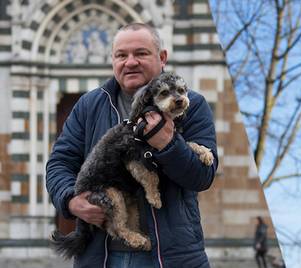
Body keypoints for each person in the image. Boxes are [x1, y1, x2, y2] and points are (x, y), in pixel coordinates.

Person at [46, 23, 218, 268]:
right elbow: (59, 163)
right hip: (100, 257)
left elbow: (202, 177)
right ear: (112, 60)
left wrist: (168, 144)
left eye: (141, 53)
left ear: (162, 58)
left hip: (173, 258)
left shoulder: (193, 105)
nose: (130, 62)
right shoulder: (89, 105)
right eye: (121, 55)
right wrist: (70, 199)